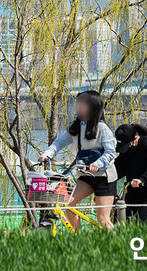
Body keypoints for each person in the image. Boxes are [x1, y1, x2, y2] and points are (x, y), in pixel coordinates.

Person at [38, 90, 117, 230]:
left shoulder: (102, 128)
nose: (78, 106)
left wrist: (97, 164)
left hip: (104, 177)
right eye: (78, 103)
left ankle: (116, 247)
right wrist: (47, 154)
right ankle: (78, 238)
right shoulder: (76, 128)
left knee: (103, 218)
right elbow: (59, 143)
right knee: (69, 205)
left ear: (93, 107)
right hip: (85, 175)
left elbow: (110, 152)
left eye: (83, 103)